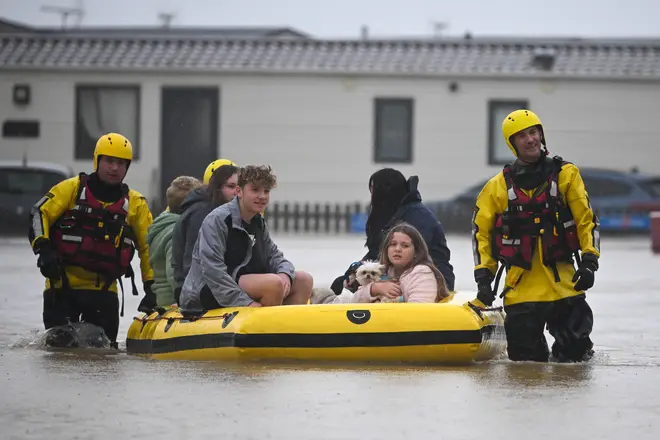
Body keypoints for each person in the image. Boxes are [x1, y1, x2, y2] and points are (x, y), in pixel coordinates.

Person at [469, 109, 601, 363]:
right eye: (522, 136)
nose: (531, 139)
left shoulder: (566, 175)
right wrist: (483, 277)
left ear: (541, 135)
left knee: (576, 361)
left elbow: (587, 221)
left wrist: (589, 261)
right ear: (512, 143)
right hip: (521, 291)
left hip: (565, 286)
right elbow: (480, 234)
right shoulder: (496, 188)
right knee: (524, 367)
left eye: (534, 132)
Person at [28, 132, 155, 348]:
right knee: (59, 354)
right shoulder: (71, 189)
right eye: (109, 161)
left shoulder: (136, 204)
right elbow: (39, 213)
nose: (114, 168)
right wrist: (43, 249)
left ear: (127, 167)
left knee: (102, 357)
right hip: (61, 287)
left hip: (104, 292)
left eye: (121, 163)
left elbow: (149, 248)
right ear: (97, 161)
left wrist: (152, 288)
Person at [179, 165, 313, 311]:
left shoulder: (257, 221)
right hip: (208, 290)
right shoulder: (218, 219)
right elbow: (213, 271)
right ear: (239, 191)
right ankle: (265, 329)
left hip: (240, 281)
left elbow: (274, 255)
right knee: (273, 284)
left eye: (266, 191)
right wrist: (246, 303)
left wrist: (285, 274)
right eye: (255, 190)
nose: (262, 196)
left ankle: (288, 330)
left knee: (303, 280)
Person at [331, 168, 455, 295]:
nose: (371, 194)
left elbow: (407, 257)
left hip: (432, 278)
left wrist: (372, 284)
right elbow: (376, 254)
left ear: (384, 191)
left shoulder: (416, 217)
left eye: (374, 189)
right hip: (398, 273)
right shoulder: (392, 213)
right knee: (340, 286)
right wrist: (353, 273)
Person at [171, 161, 239, 304]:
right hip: (195, 290)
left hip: (214, 284)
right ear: (217, 187)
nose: (236, 192)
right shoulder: (203, 214)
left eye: (239, 187)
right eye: (231, 186)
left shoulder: (227, 213)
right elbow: (192, 263)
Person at [353, 222, 450, 303]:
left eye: (405, 246)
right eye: (393, 244)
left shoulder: (422, 273)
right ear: (386, 249)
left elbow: (419, 311)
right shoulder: (384, 271)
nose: (397, 249)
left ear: (416, 252)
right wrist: (375, 288)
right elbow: (354, 301)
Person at [146, 176, 202, 308]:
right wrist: (186, 300)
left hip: (161, 300)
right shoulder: (174, 232)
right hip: (172, 303)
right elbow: (174, 273)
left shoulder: (162, 224)